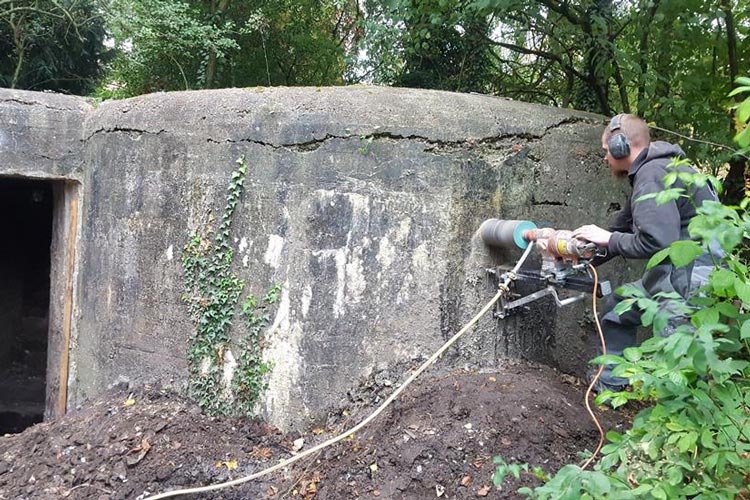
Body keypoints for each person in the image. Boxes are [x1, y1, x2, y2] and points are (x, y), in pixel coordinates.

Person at [572, 114, 720, 392]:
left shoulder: (652, 176)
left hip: (691, 276)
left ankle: (680, 418)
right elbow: (623, 226)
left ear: (621, 147)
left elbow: (656, 242)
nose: (605, 158)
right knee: (619, 307)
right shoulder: (656, 169)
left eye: (606, 151)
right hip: (677, 270)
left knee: (677, 353)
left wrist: (609, 238)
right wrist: (582, 254)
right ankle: (611, 390)